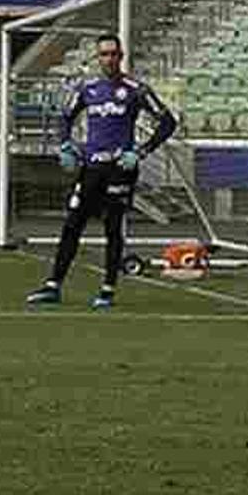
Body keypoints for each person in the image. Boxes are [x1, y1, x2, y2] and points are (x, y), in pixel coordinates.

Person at [24, 32, 178, 312]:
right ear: (97, 58)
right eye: (104, 54)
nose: (109, 59)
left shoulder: (136, 89)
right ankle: (52, 286)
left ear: (121, 57)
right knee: (72, 225)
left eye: (113, 54)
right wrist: (66, 145)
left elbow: (167, 122)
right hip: (91, 168)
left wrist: (141, 151)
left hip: (120, 169)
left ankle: (107, 289)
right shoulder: (88, 89)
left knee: (113, 229)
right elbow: (65, 117)